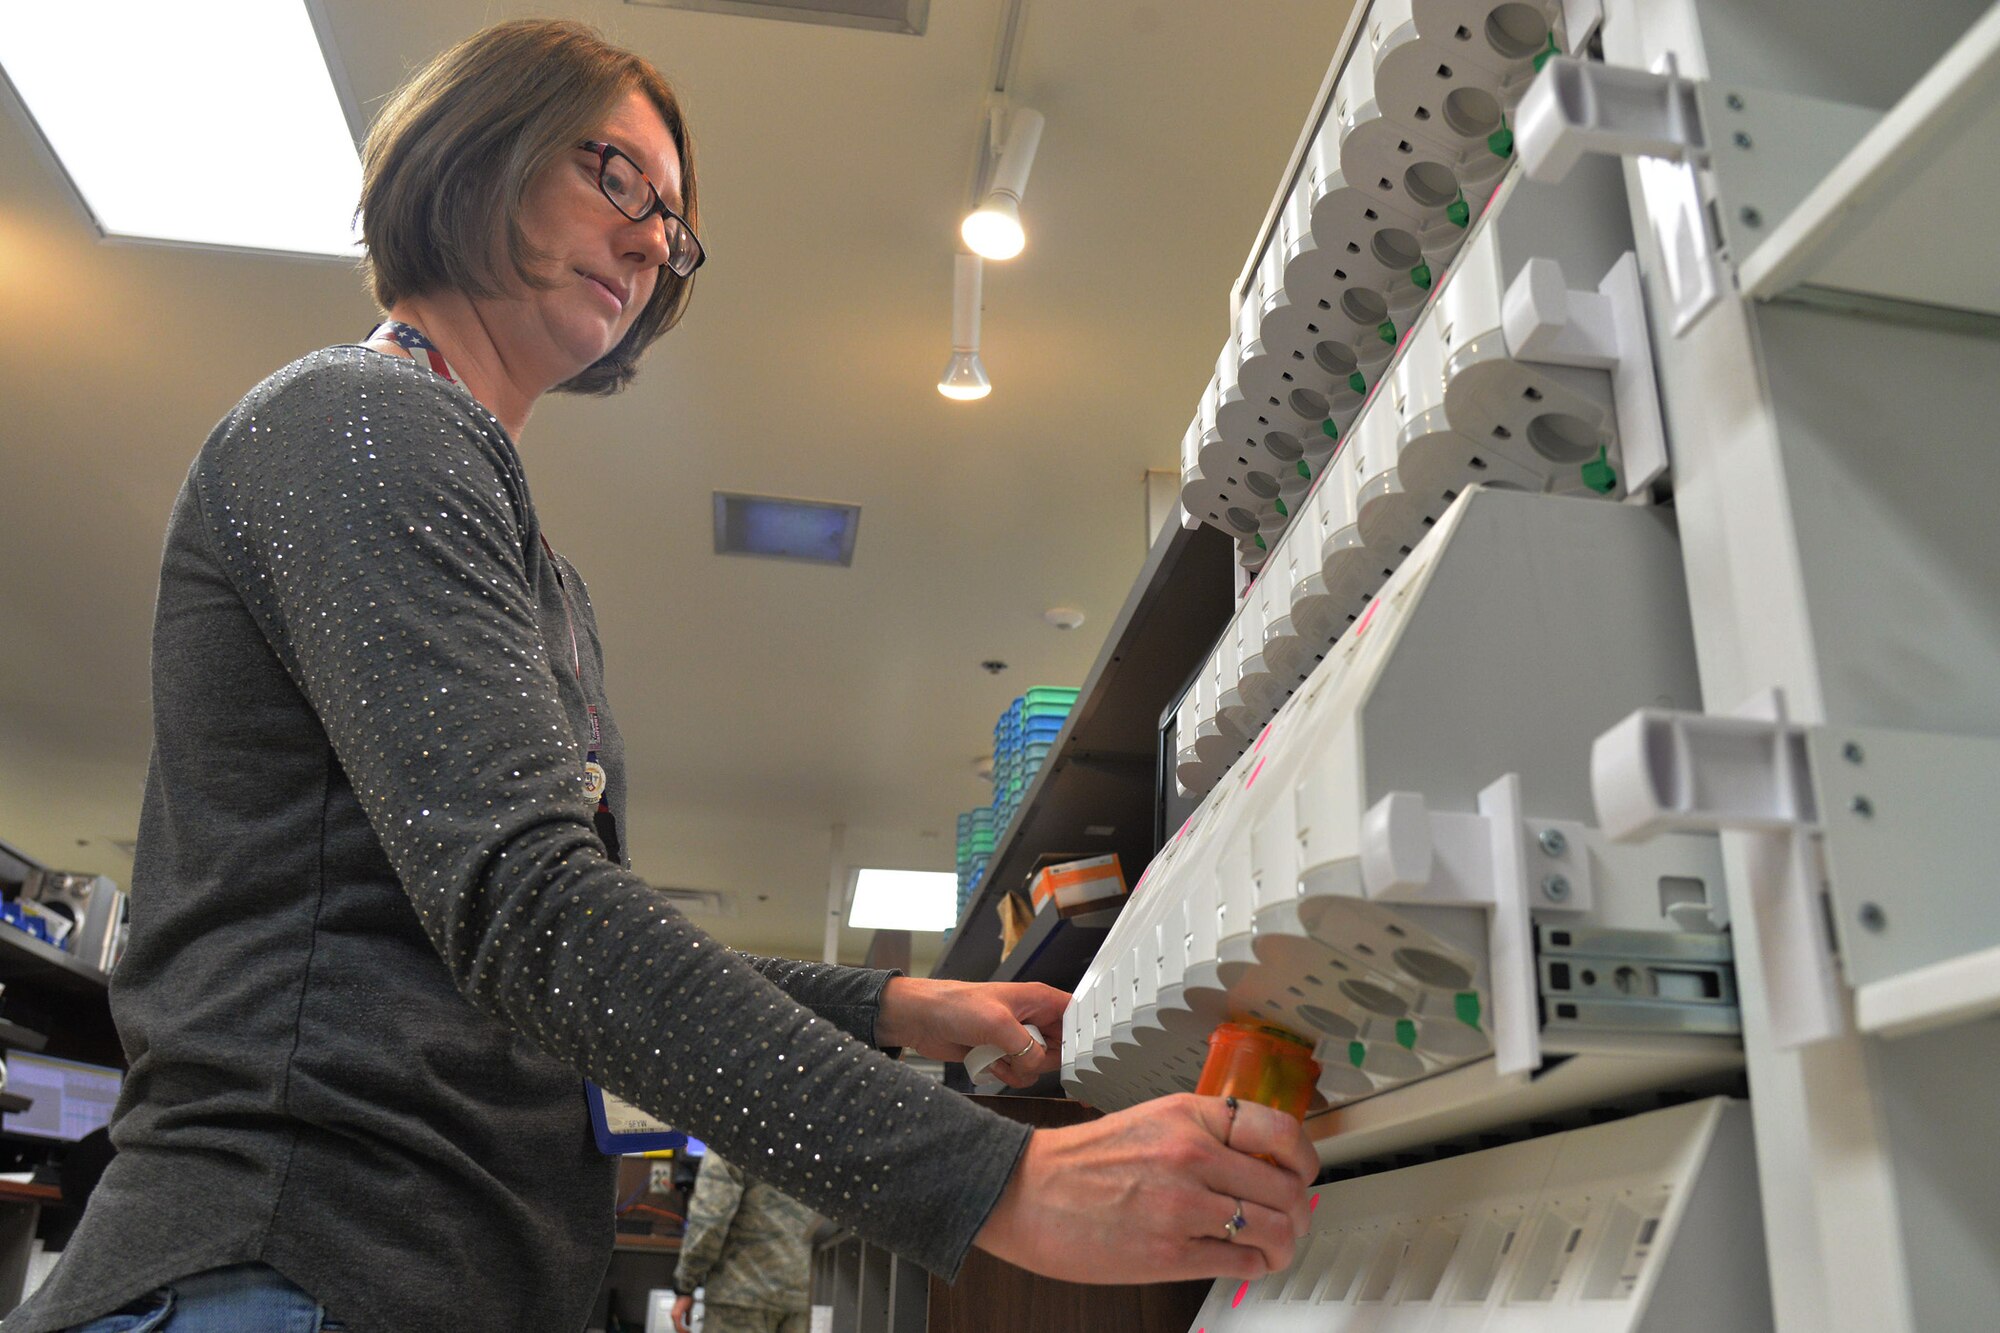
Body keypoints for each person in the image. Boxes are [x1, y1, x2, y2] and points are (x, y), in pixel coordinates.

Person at [2, 19, 1314, 1333]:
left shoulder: (536, 565)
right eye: (615, 176)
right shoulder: (363, 422)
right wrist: (993, 1178)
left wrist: (899, 1003)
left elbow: (557, 923)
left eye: (673, 225)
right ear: (482, 147)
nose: (648, 239)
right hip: (293, 1257)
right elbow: (534, 914)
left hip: (421, 1271)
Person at [670, 1149, 816, 1333]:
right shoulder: (818, 1135)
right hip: (802, 1296)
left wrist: (685, 1285)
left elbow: (710, 1220)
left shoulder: (733, 1136)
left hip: (740, 1295)